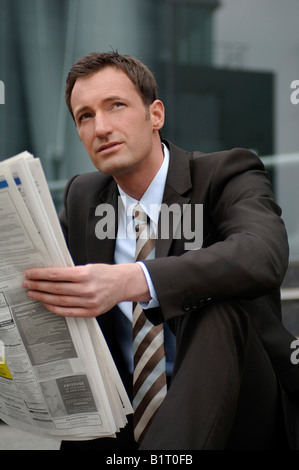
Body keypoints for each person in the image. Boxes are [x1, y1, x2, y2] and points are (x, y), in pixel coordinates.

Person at [22, 52, 299, 450]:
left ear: (155, 115)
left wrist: (134, 280)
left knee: (214, 305)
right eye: (85, 116)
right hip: (126, 419)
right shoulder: (84, 197)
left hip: (243, 407)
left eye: (115, 106)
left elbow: (263, 254)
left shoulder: (226, 173)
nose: (101, 127)